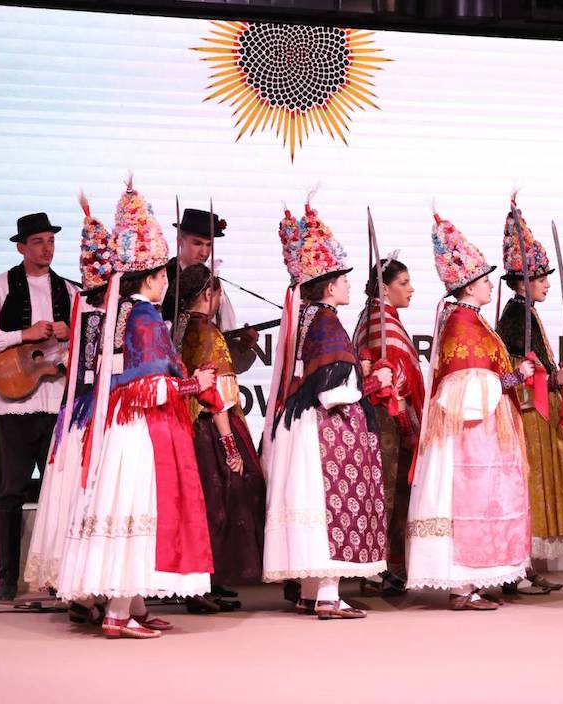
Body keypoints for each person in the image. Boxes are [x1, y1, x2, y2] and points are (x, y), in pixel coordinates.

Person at [57, 179, 217, 639]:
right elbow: (148, 387)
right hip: (140, 432)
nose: (167, 282)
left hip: (121, 430)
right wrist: (195, 384)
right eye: (163, 276)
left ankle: (135, 606)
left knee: (128, 513)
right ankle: (117, 613)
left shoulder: (122, 311)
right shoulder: (145, 316)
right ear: (150, 278)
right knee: (137, 512)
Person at [263, 201, 386, 620]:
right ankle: (329, 595)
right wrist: (372, 380)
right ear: (330, 287)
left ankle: (310, 591)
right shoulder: (327, 322)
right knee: (330, 504)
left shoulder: (305, 318)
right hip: (324, 429)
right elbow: (335, 391)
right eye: (344, 280)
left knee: (313, 505)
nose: (349, 286)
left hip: (300, 427)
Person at [405, 210, 534, 611]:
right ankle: (462, 583)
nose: (491, 286)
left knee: (482, 499)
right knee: (469, 499)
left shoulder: (472, 321)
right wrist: (515, 377)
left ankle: (472, 580)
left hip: (484, 428)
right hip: (471, 435)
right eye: (485, 281)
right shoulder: (463, 323)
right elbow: (468, 389)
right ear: (471, 285)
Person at [22, 195, 112, 620]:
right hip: (92, 416)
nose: (47, 248)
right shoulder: (105, 313)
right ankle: (88, 588)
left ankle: (81, 589)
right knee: (88, 496)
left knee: (74, 496)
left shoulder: (79, 302)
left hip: (75, 412)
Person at [496, 195, 563, 595]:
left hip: (540, 414)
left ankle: (525, 566)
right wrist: (550, 379)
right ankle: (517, 568)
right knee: (528, 485)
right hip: (529, 416)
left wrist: (557, 376)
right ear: (522, 283)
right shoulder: (516, 316)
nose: (547, 283)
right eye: (541, 278)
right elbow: (518, 368)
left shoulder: (527, 312)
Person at [0, 212, 76, 601]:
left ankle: (59, 576)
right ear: (21, 247)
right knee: (10, 491)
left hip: (56, 403)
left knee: (59, 493)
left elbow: (87, 347)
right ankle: (8, 578)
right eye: (39, 241)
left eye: (51, 240)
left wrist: (70, 332)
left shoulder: (70, 291)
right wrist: (23, 334)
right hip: (12, 405)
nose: (47, 248)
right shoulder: (0, 286)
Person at [174, 263, 266, 611]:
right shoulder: (209, 333)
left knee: (200, 505)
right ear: (207, 295)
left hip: (189, 426)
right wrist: (231, 447)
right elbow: (219, 396)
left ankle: (206, 581)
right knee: (221, 503)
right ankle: (201, 585)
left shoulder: (182, 329)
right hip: (211, 427)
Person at [353, 254, 424, 598]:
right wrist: (407, 425)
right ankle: (379, 569)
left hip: (385, 415)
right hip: (385, 416)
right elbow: (391, 378)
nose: (411, 289)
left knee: (388, 491)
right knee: (386, 492)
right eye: (404, 283)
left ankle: (384, 567)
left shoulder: (379, 318)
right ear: (384, 288)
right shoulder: (379, 321)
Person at [162, 208, 259, 373]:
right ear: (180, 241)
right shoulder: (162, 278)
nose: (204, 252)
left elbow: (224, 346)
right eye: (197, 243)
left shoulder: (214, 284)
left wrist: (242, 346)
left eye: (209, 245)